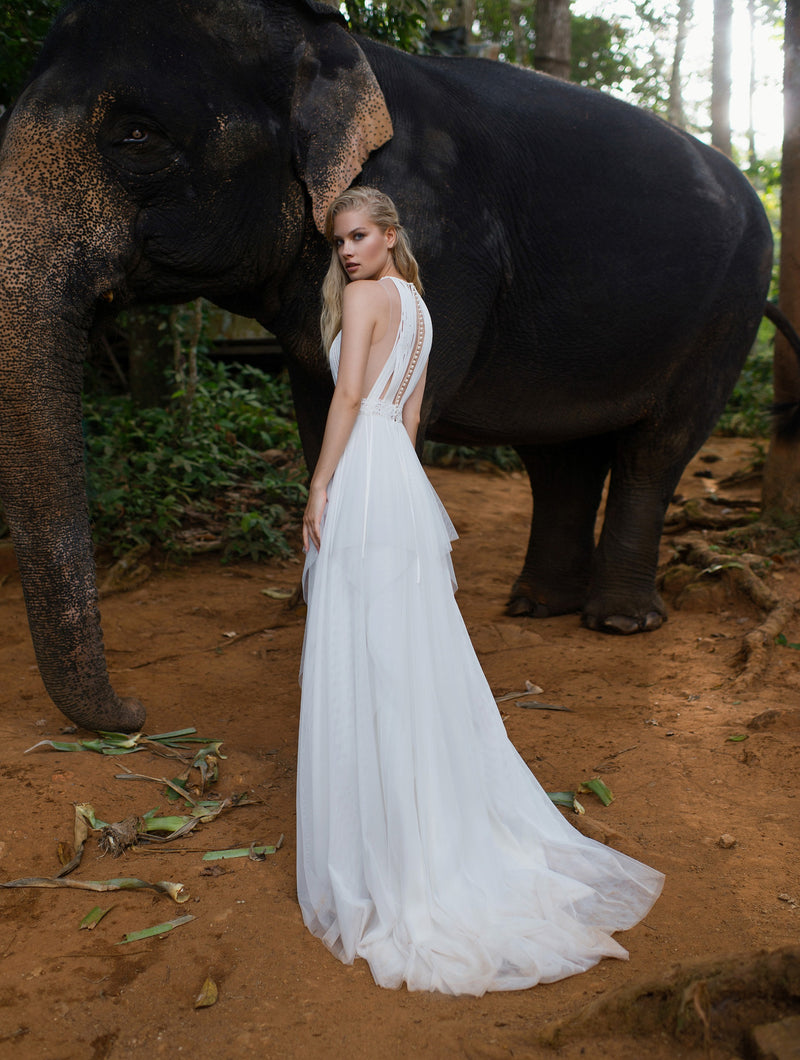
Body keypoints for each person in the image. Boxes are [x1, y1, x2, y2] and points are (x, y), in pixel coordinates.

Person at [296, 186, 664, 996]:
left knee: (374, 652)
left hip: (364, 475)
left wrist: (321, 487)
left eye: (360, 236)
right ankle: (428, 827)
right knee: (408, 654)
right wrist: (398, 482)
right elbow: (414, 410)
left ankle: (390, 846)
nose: (349, 252)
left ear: (390, 236)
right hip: (398, 474)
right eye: (339, 242)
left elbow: (351, 397)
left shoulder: (363, 299)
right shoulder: (420, 308)